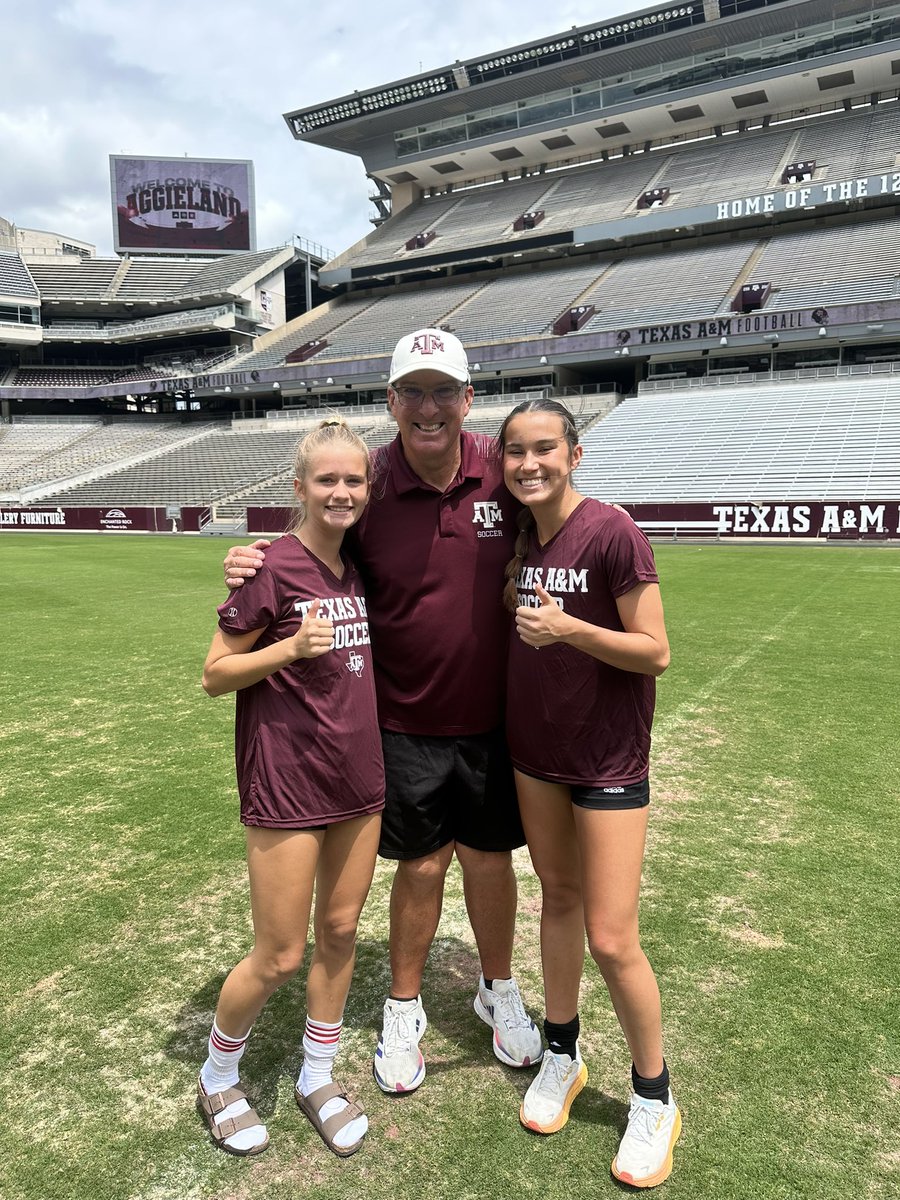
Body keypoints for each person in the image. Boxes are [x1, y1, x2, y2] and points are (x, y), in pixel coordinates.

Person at [223, 329, 542, 1095]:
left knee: (491, 862)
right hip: (399, 720)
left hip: (497, 720)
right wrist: (248, 559)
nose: (428, 409)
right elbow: (312, 544)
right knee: (423, 866)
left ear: (469, 399)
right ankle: (404, 1005)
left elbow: (566, 519)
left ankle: (496, 987)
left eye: (444, 392)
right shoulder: (369, 483)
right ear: (390, 402)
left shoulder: (504, 474)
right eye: (413, 393)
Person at [497, 398, 681, 1189]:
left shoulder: (613, 531)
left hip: (607, 759)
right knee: (557, 903)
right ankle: (562, 1053)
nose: (529, 464)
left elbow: (655, 653)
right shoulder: (520, 538)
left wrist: (570, 629)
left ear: (575, 454)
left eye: (545, 449)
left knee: (613, 936)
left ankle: (655, 1097)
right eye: (515, 453)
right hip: (536, 754)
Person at [196, 418, 384, 1159]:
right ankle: (217, 1076)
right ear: (300, 487)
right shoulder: (270, 565)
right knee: (277, 954)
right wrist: (287, 648)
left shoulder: (358, 562)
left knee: (340, 935)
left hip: (361, 783)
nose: (341, 491)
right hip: (286, 784)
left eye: (353, 480)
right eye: (327, 480)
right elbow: (215, 674)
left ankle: (316, 1075)